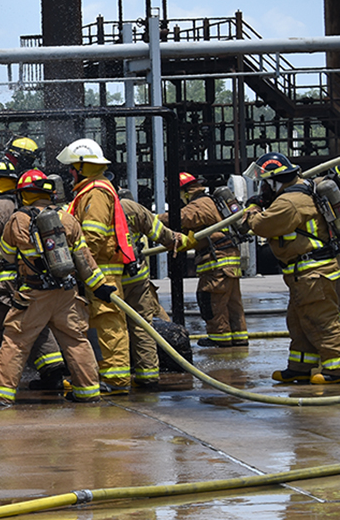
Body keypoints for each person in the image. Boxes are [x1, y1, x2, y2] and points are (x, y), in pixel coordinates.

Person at [0, 170, 108, 406]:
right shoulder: (67, 218)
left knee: (16, 340)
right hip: (66, 294)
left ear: (23, 194)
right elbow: (84, 258)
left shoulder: (18, 219)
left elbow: (7, 255)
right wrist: (100, 286)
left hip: (35, 294)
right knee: (76, 340)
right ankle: (88, 391)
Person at [0, 159, 64, 393]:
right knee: (34, 326)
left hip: (2, 283)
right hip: (30, 279)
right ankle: (53, 372)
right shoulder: (28, 206)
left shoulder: (0, 206)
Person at [244, 153, 340, 384]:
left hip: (312, 274)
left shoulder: (289, 202)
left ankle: (336, 368)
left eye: (266, 183)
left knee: (322, 321)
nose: (264, 188)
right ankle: (300, 366)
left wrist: (253, 208)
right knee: (299, 322)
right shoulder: (301, 191)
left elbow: (261, 226)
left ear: (275, 181)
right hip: (303, 275)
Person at [58, 138, 136, 395]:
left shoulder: (97, 193)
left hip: (101, 271)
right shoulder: (89, 191)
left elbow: (92, 236)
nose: (70, 172)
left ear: (83, 167)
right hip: (94, 270)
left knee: (108, 324)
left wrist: (76, 265)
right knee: (96, 324)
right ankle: (102, 375)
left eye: (73, 167)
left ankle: (116, 380)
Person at [166, 172, 247, 347]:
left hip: (216, 262)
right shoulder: (209, 202)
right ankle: (239, 337)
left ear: (185, 191)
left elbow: (181, 217)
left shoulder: (200, 204)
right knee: (231, 304)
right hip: (227, 261)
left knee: (211, 300)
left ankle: (219, 338)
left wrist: (151, 219)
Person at [120, 192, 185, 388]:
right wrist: (175, 239)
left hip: (107, 280)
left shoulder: (89, 205)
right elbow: (159, 232)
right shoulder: (131, 207)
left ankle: (117, 377)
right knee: (142, 325)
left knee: (114, 327)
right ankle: (148, 375)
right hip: (136, 278)